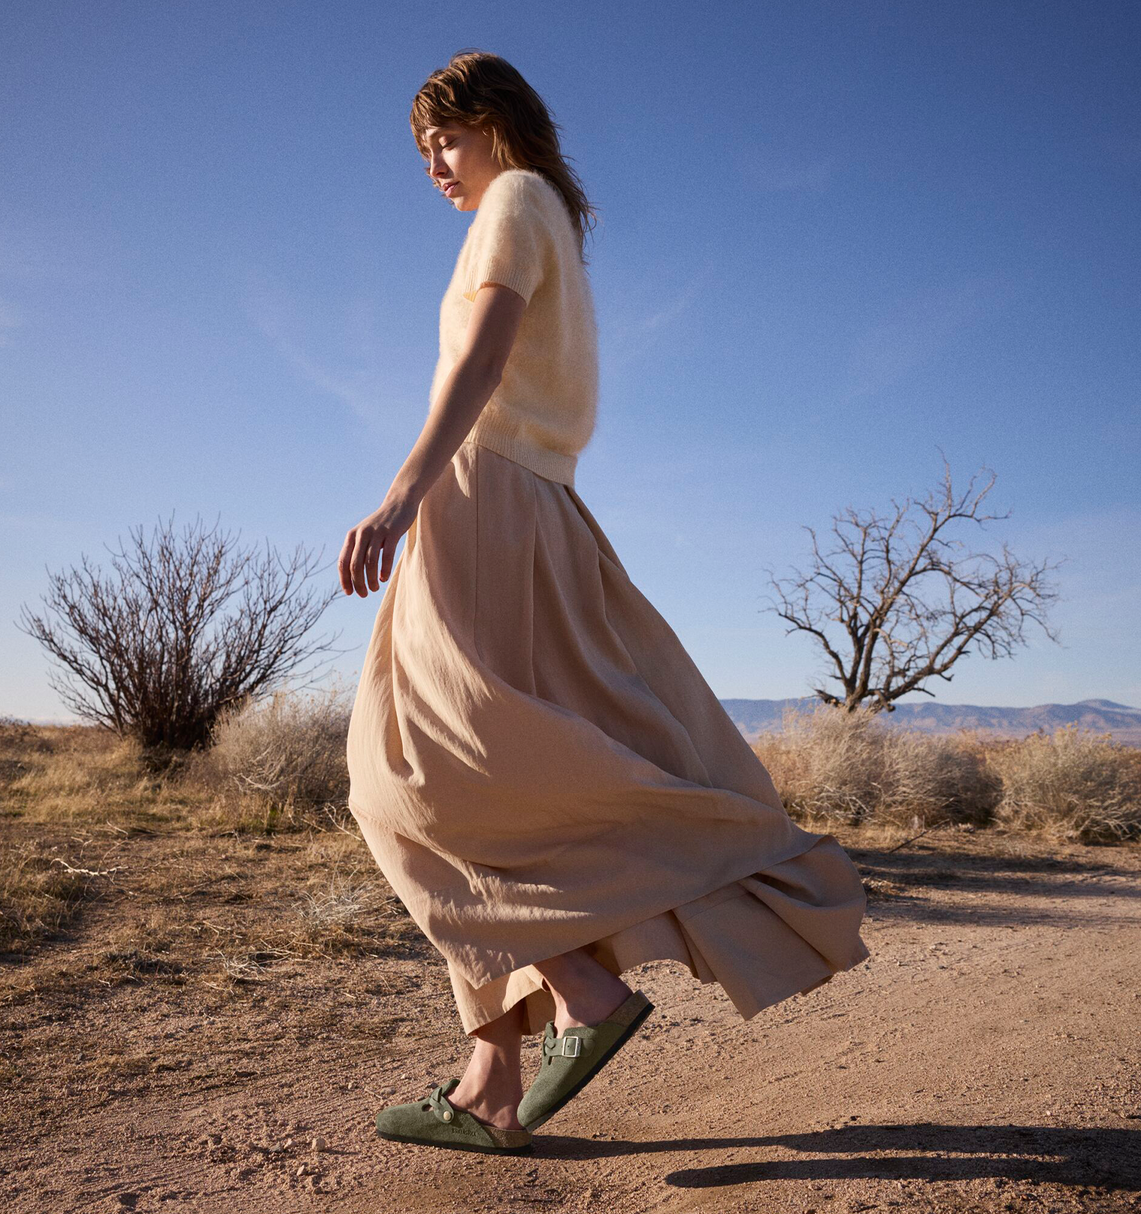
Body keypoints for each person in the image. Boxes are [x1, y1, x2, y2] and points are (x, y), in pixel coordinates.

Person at [340, 50, 869, 1155]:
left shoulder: (513, 201)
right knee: (501, 777)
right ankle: (490, 1079)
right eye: (422, 147)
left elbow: (480, 358)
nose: (435, 163)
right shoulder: (551, 224)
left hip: (484, 497)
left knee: (402, 781)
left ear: (498, 123)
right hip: (540, 507)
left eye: (447, 135)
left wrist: (401, 495)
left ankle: (582, 991)